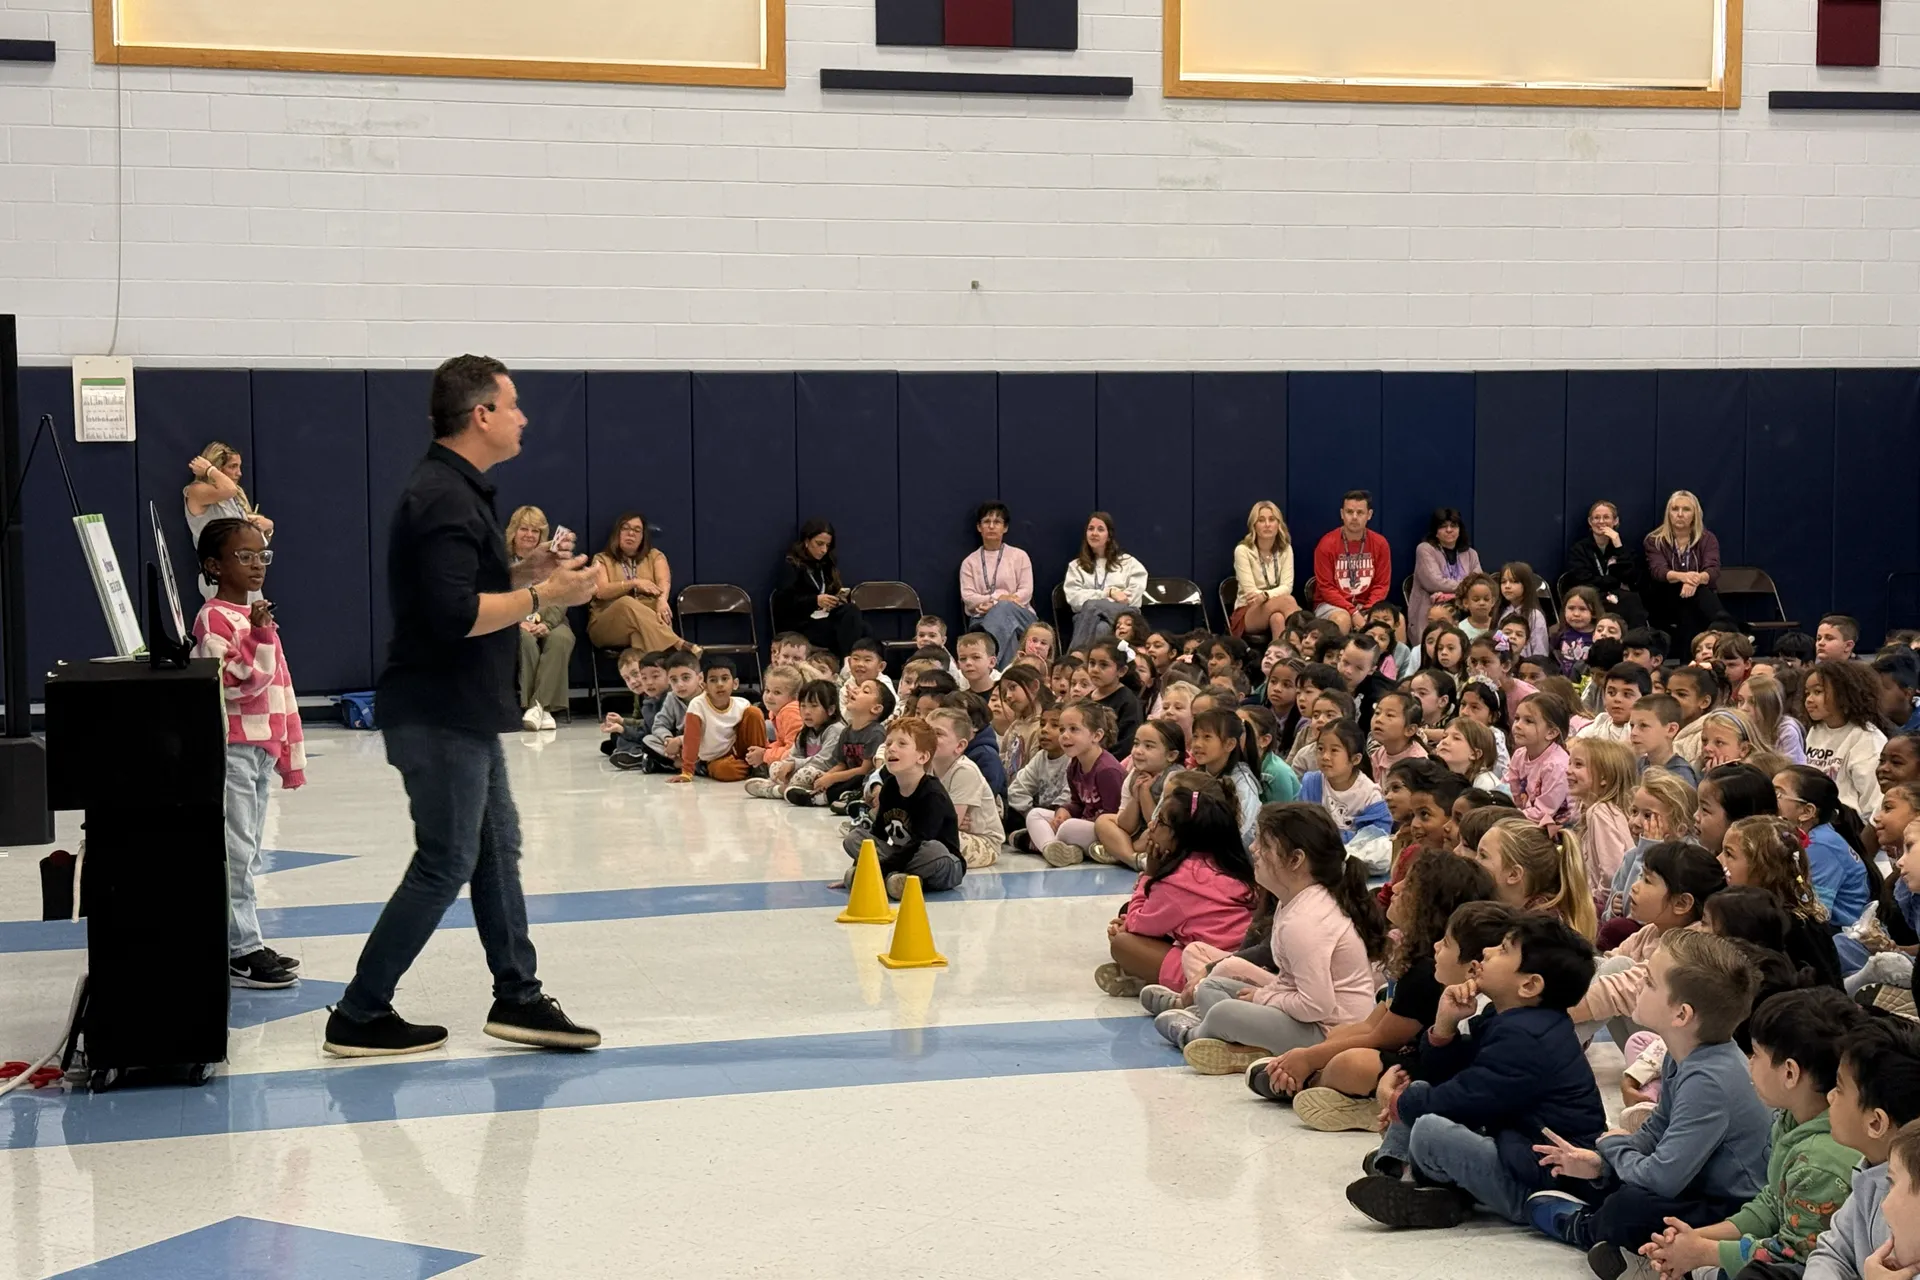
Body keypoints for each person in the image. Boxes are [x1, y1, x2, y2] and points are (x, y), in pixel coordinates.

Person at [324, 354, 600, 1058]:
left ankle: (519, 998)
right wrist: (546, 597)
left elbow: (458, 590)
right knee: (446, 860)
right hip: (439, 711)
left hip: (463, 710)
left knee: (496, 851)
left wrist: (525, 574)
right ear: (481, 414)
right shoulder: (442, 496)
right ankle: (359, 1011)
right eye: (513, 406)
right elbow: (455, 616)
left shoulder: (456, 489)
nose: (523, 418)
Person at [1527, 930, 1771, 1275]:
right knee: (1598, 1167)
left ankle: (1588, 1229)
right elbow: (1658, 1127)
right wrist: (1603, 1160)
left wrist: (1613, 1150)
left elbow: (1661, 1180)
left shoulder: (1709, 1081)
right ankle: (1608, 1223)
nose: (1639, 981)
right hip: (1693, 1179)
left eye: (1650, 981)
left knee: (1632, 1204)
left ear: (1682, 1014)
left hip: (1731, 1207)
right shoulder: (1684, 1054)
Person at [1344, 913, 1605, 1232]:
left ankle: (1410, 1174)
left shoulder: (1527, 1038)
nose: (1488, 951)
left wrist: (1395, 1102)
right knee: (1423, 1095)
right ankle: (1409, 1175)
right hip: (1516, 1147)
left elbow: (1464, 1097)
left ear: (1529, 984)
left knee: (1428, 1126)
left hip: (1540, 1180)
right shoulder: (1512, 1018)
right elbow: (1458, 1079)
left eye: (1504, 950)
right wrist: (1444, 1026)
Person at [1148, 802, 1388, 1074]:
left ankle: (1194, 1035)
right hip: (1307, 1012)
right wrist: (1266, 995)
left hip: (1328, 1033)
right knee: (1212, 987)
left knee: (1222, 1013)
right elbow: (1293, 986)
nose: (1253, 849)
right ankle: (1246, 1046)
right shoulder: (1295, 901)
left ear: (1295, 860)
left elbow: (1316, 1006)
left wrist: (1263, 998)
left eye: (1264, 844)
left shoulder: (1306, 921)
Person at [1644, 987, 1866, 1276]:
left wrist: (1704, 1252)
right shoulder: (1794, 1117)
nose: (1749, 1062)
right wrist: (1698, 1239)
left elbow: (1796, 1255)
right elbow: (1773, 1202)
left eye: (1757, 1055)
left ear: (1790, 1073)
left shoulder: (1821, 1161)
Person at [193, 518, 305, 991]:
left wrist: (286, 748)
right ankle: (242, 949)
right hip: (235, 749)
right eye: (244, 556)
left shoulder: (256, 614)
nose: (257, 565)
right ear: (214, 566)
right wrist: (259, 637)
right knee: (235, 851)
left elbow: (281, 690)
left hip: (258, 750)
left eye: (262, 555)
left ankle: (243, 937)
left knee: (250, 849)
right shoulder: (213, 618)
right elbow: (235, 685)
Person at [1095, 770, 1259, 997]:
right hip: (1239, 957)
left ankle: (1154, 980)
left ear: (1181, 834)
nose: (1151, 826)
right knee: (1131, 914)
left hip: (1211, 967)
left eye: (1160, 822)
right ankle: (1143, 973)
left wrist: (1150, 874)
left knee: (1123, 943)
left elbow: (1135, 924)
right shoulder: (1219, 858)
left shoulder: (1180, 879)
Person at [1794, 1019, 1920, 1280]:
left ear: (1876, 1122)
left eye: (1839, 1088)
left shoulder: (1906, 1203)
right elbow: (1831, 1250)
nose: (1829, 1097)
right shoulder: (1871, 1169)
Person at [839, 716, 964, 899]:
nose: (891, 748)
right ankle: (903, 879)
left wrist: (880, 869)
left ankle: (896, 876)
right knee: (856, 838)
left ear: (922, 757)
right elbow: (879, 833)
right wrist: (860, 866)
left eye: (902, 744)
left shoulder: (932, 794)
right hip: (903, 856)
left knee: (933, 849)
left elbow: (921, 842)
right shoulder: (889, 787)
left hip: (940, 863)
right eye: (889, 743)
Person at [506, 505, 578, 730]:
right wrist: (519, 621)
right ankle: (540, 708)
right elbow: (499, 597)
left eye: (535, 531)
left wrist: (546, 623)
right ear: (513, 533)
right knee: (524, 640)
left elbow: (562, 597)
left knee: (562, 638)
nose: (529, 535)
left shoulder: (554, 560)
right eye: (524, 529)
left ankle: (537, 707)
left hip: (552, 619)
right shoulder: (501, 561)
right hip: (513, 621)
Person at [585, 511, 686, 656]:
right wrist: (634, 583)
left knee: (640, 634)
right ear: (617, 533)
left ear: (643, 536)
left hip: (645, 623)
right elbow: (601, 591)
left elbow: (664, 581)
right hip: (607, 625)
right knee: (626, 603)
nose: (631, 533)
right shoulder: (601, 559)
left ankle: (650, 677)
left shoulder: (655, 556)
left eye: (637, 530)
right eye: (625, 528)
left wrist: (662, 600)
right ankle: (677, 644)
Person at [184, 441, 273, 600]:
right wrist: (209, 470)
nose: (239, 473)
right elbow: (228, 489)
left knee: (254, 622)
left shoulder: (234, 497)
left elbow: (257, 545)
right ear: (217, 467)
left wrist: (267, 529)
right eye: (233, 467)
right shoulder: (196, 491)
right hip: (221, 575)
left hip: (245, 571)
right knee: (229, 622)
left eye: (239, 467)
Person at [1805, 659, 1892, 818]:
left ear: (1844, 694)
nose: (1809, 700)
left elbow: (1873, 802)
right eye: (1807, 693)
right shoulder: (1815, 731)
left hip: (1847, 825)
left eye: (1817, 692)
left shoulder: (1867, 738)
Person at [771, 519, 868, 657]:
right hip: (801, 624)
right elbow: (783, 603)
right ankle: (849, 663)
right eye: (819, 544)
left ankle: (855, 663)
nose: (824, 550)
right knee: (853, 624)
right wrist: (815, 601)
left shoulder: (825, 566)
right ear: (806, 541)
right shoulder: (792, 566)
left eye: (827, 545)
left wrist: (836, 600)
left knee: (858, 622)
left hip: (823, 618)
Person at [1644, 490, 1725, 652]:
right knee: (1695, 596)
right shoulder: (1654, 540)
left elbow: (1713, 570)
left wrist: (1694, 580)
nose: (1680, 514)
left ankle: (1686, 663)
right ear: (1668, 513)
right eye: (1675, 509)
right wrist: (1686, 577)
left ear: (1695, 514)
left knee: (1691, 609)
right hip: (1664, 597)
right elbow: (1658, 571)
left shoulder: (1707, 539)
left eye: (1686, 509)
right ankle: (1728, 632)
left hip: (1695, 596)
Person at [960, 501, 1035, 670]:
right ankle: (1007, 675)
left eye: (997, 522)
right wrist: (999, 599)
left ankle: (989, 668)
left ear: (1005, 528)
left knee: (1004, 608)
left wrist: (995, 604)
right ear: (979, 527)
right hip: (981, 620)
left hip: (1022, 617)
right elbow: (969, 597)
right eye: (987, 522)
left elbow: (1025, 592)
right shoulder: (969, 562)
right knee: (1008, 634)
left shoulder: (1019, 556)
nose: (991, 526)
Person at [1062, 511, 1148, 652]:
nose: (1094, 533)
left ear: (1109, 536)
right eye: (1091, 529)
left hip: (1124, 615)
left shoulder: (1128, 562)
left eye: (1100, 529)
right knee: (1101, 627)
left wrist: (1101, 603)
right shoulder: (1075, 566)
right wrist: (1108, 593)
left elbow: (1131, 596)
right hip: (1086, 619)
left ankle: (1075, 657)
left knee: (1091, 605)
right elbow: (1074, 599)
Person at [1312, 490, 1391, 634]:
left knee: (1396, 621)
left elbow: (1381, 584)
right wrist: (1353, 612)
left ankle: (1390, 658)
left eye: (1360, 513)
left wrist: (1368, 609)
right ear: (1342, 514)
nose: (1354, 517)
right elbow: (1326, 588)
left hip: (1368, 605)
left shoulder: (1380, 543)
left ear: (1369, 515)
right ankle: (1340, 656)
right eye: (1349, 512)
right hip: (1331, 605)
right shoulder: (1326, 544)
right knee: (1343, 619)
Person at [1565, 500, 1647, 628]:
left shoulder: (1624, 548)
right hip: (1592, 596)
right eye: (1596, 518)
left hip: (1620, 597)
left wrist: (1618, 547)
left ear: (1615, 521)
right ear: (1590, 522)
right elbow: (1583, 580)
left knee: (1632, 600)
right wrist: (1614, 581)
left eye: (1606, 517)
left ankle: (1635, 643)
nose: (1601, 522)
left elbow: (1631, 578)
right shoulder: (1579, 549)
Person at [1230, 500, 1300, 638]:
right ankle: (1302, 644)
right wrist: (1267, 596)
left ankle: (1279, 656)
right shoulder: (1243, 550)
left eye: (1272, 519)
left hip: (1274, 605)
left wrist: (1266, 595)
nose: (1267, 524)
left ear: (1278, 524)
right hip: (1248, 611)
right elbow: (1251, 593)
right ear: (1254, 525)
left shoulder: (1285, 549)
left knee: (1278, 619)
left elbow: (1287, 586)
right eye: (1261, 520)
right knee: (1289, 601)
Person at [1407, 507, 1481, 633]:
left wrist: (1451, 595)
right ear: (1435, 531)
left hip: (1465, 611)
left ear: (1459, 529)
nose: (1449, 530)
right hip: (1430, 613)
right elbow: (1435, 583)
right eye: (1443, 526)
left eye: (1453, 525)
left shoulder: (1471, 554)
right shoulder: (1425, 549)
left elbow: (1479, 582)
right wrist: (1465, 589)